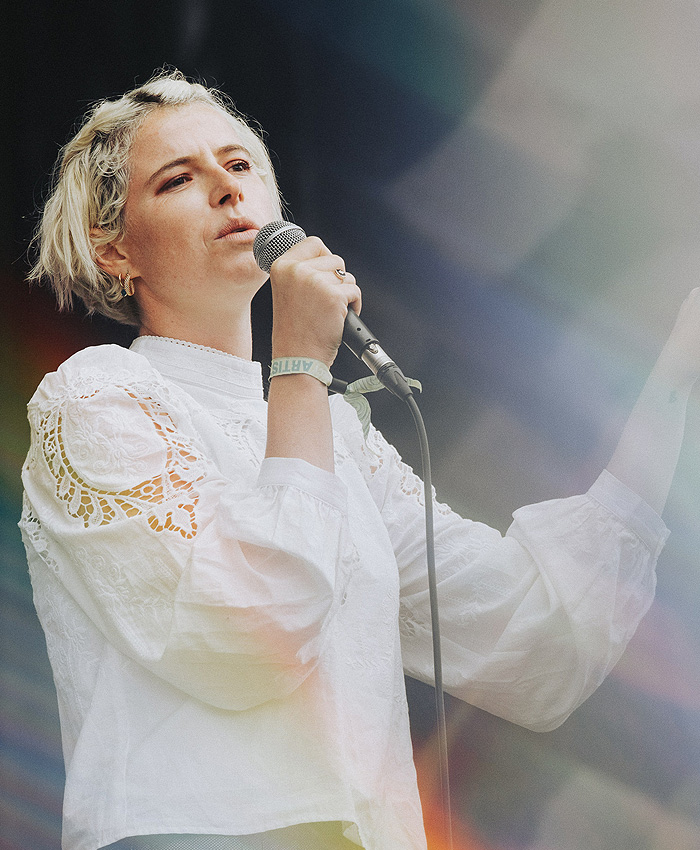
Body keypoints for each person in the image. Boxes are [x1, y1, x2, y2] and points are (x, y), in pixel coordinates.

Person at [19, 68, 698, 850]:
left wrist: (675, 376)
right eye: (179, 179)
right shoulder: (97, 398)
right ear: (114, 251)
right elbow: (248, 635)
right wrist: (301, 365)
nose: (226, 189)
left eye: (241, 166)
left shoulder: (336, 435)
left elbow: (533, 636)